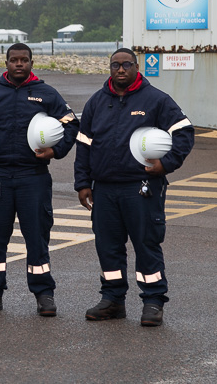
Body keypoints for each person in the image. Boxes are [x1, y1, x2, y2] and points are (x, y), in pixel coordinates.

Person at [75, 48, 194, 327]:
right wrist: (83, 183)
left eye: (126, 64)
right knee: (108, 247)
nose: (120, 69)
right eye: (115, 65)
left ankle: (153, 301)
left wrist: (166, 164)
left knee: (146, 244)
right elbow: (84, 145)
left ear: (136, 67)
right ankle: (113, 300)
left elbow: (184, 132)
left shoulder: (156, 100)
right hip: (105, 189)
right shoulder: (96, 102)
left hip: (141, 187)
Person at [0, 43, 78, 317]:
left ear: (31, 63)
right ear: (6, 62)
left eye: (24, 60)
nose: (19, 64)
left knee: (37, 237)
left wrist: (56, 151)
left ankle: (44, 294)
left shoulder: (46, 93)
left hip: (33, 177)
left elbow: (71, 124)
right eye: (14, 60)